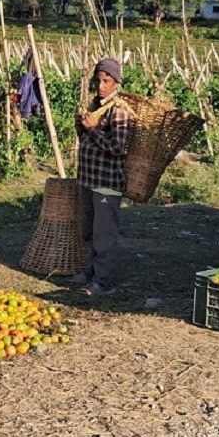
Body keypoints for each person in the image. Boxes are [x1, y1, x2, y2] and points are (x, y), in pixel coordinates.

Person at [72, 57, 132, 295]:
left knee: (104, 233)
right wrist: (82, 126)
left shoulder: (119, 110)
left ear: (116, 82)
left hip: (106, 182)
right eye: (98, 80)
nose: (101, 85)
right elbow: (87, 139)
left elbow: (119, 147)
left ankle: (103, 282)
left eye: (107, 81)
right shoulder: (95, 105)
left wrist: (93, 129)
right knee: (87, 229)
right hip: (88, 179)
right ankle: (90, 272)